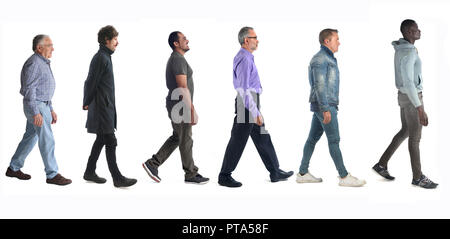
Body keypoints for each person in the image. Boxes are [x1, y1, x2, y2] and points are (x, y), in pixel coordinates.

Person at [218, 26, 294, 188]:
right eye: (255, 37)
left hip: (249, 102)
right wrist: (255, 111)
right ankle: (224, 175)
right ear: (246, 40)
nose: (257, 40)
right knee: (238, 141)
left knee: (262, 137)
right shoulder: (244, 59)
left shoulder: (247, 57)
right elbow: (243, 89)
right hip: (247, 103)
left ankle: (275, 171)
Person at [372, 19, 438, 189]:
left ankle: (381, 164)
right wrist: (420, 108)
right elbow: (409, 82)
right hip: (412, 97)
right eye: (416, 29)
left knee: (405, 131)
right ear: (409, 32)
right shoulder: (409, 53)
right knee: (415, 138)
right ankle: (418, 177)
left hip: (403, 96)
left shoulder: (402, 49)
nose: (419, 31)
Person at [296, 28, 366, 187]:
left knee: (312, 139)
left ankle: (302, 173)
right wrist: (325, 108)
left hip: (324, 104)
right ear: (327, 41)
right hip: (325, 105)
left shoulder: (328, 58)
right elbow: (319, 85)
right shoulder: (320, 60)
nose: (339, 42)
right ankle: (343, 176)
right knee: (334, 140)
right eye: (336, 39)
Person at [142, 31, 209, 184]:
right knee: (185, 139)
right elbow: (183, 86)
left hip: (177, 104)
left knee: (178, 137)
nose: (187, 40)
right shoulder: (177, 60)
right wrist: (192, 110)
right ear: (176, 44)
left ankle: (153, 164)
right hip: (180, 105)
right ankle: (190, 173)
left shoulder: (177, 59)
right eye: (184, 39)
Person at [6, 34, 72, 186]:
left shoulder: (43, 63)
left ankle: (13, 168)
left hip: (43, 105)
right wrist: (36, 112)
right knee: (47, 139)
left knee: (30, 137)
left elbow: (43, 89)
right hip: (36, 106)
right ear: (39, 47)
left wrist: (51, 108)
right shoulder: (34, 63)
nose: (53, 49)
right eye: (49, 45)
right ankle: (52, 174)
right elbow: (29, 90)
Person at [83, 25, 137, 188]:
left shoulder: (105, 57)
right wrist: (86, 101)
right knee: (111, 141)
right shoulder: (100, 57)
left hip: (105, 106)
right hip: (102, 108)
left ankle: (89, 172)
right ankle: (117, 178)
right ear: (106, 40)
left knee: (101, 140)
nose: (117, 43)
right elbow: (90, 81)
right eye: (114, 39)